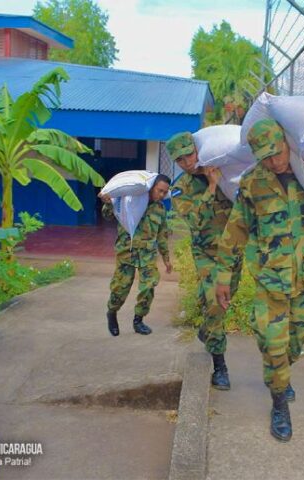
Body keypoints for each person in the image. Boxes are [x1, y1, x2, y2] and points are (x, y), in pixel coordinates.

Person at [215, 119, 304, 442]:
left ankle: (280, 371)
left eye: (278, 153)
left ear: (288, 142)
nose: (275, 162)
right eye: (266, 158)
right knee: (275, 345)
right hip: (270, 280)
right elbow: (235, 230)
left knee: (295, 341)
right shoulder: (253, 183)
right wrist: (222, 277)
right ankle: (279, 402)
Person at [165, 132, 242, 390]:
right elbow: (195, 222)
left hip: (232, 253)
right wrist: (211, 187)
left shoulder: (228, 170)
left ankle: (207, 329)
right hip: (207, 253)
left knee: (223, 300)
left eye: (189, 154)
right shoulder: (181, 189)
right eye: (180, 160)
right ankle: (220, 366)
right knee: (216, 303)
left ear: (197, 150)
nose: (187, 162)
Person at [99, 174, 172, 337]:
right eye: (159, 191)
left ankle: (138, 320)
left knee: (148, 287)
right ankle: (112, 312)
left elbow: (162, 234)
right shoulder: (129, 201)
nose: (161, 195)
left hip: (147, 255)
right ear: (151, 187)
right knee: (120, 288)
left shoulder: (160, 209)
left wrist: (166, 258)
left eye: (164, 192)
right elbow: (108, 216)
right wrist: (107, 204)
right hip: (127, 252)